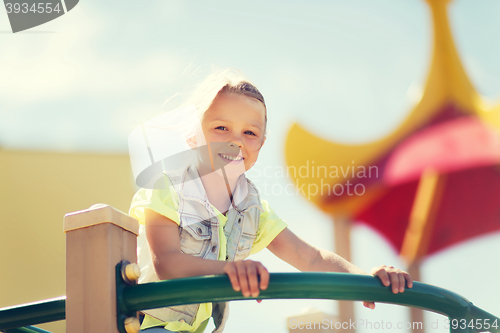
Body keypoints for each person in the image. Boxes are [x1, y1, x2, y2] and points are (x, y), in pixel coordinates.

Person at [129, 69, 413, 333]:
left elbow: (310, 257)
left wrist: (364, 277)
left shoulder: (252, 210)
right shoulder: (168, 189)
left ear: (261, 143)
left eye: (249, 133)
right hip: (149, 326)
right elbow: (167, 262)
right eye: (220, 128)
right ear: (193, 135)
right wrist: (231, 269)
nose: (236, 141)